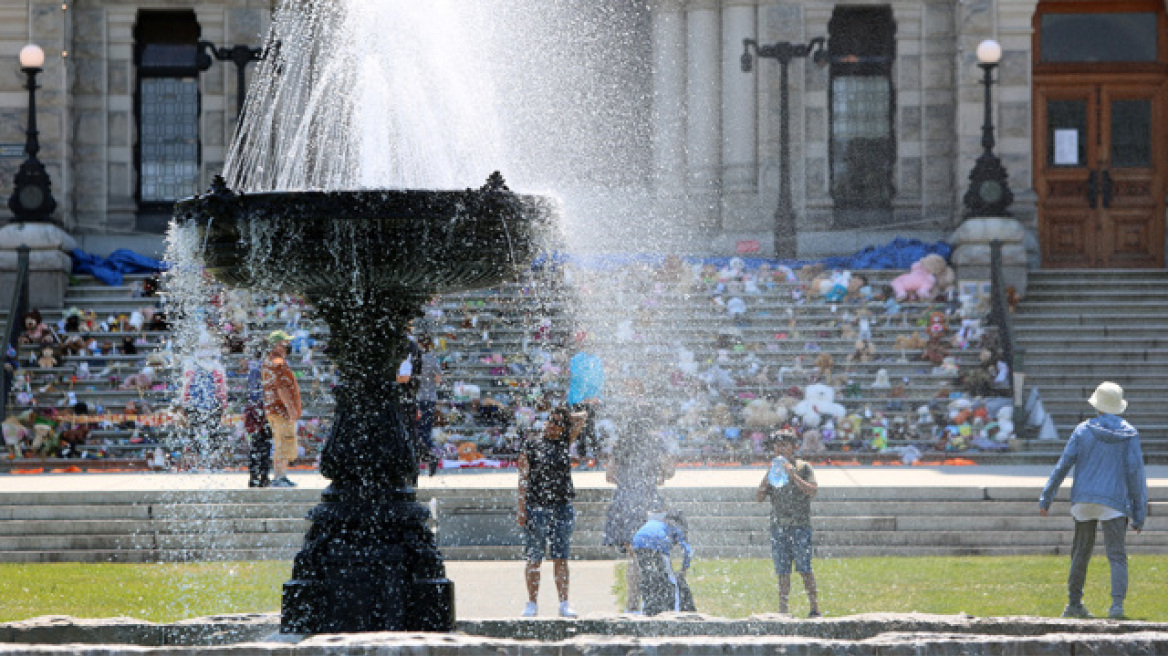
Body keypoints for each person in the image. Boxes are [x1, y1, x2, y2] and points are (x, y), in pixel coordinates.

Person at [1039, 381, 1147, 620]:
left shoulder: (1082, 430)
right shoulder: (1129, 434)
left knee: (1080, 552)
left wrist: (1047, 497)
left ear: (1097, 405)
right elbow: (1136, 474)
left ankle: (1074, 603)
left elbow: (1063, 465)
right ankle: (1116, 607)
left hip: (1084, 499)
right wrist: (1139, 514)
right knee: (1117, 556)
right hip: (1114, 501)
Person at [602, 381, 675, 613]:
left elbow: (609, 476)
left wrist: (627, 482)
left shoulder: (622, 442)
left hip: (625, 501)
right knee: (651, 554)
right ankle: (650, 601)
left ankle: (631, 605)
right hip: (649, 501)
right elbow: (670, 471)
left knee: (633, 556)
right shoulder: (656, 442)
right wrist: (657, 476)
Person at [517, 405, 586, 618]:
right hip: (536, 506)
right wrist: (521, 509)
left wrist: (565, 416)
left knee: (561, 557)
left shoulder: (564, 441)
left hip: (562, 506)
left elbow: (583, 417)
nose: (552, 426)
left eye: (558, 423)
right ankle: (531, 603)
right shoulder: (531, 444)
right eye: (550, 420)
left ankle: (564, 603)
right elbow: (523, 479)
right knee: (534, 557)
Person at [756, 429, 820, 617]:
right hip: (779, 527)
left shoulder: (803, 467)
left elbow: (812, 491)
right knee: (782, 572)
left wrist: (793, 475)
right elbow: (759, 497)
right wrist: (767, 475)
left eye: (784, 445)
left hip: (800, 526)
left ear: (794, 448)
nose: (780, 449)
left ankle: (814, 608)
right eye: (777, 446)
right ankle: (783, 610)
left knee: (805, 569)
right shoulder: (773, 470)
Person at [631, 508, 694, 615]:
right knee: (671, 580)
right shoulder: (676, 528)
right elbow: (688, 551)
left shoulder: (657, 523)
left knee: (647, 577)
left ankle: (647, 609)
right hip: (658, 541)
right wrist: (684, 569)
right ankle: (675, 611)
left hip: (638, 541)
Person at [262, 330, 302, 488]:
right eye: (286, 342)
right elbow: (282, 388)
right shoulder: (278, 362)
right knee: (284, 442)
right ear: (278, 344)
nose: (289, 345)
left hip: (272, 409)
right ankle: (280, 476)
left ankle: (280, 475)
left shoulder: (267, 360)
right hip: (281, 410)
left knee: (280, 441)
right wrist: (291, 408)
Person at [399, 334, 442, 476]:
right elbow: (438, 379)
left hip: (413, 397)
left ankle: (421, 459)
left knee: (411, 432)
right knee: (423, 430)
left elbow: (406, 378)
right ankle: (425, 456)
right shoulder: (431, 359)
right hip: (427, 397)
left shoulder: (411, 355)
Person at [567, 333, 604, 468]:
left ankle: (592, 458)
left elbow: (599, 379)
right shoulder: (578, 359)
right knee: (583, 430)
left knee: (587, 430)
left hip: (583, 400)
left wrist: (593, 396)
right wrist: (591, 396)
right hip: (580, 399)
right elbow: (578, 378)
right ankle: (588, 458)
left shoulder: (593, 360)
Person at [244, 350, 272, 487]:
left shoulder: (253, 369)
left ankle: (254, 476)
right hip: (264, 409)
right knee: (265, 445)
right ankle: (263, 476)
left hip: (254, 409)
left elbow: (251, 392)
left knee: (255, 445)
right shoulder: (265, 369)